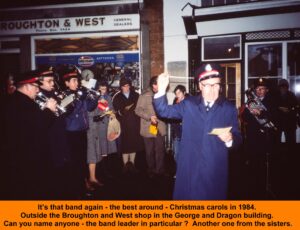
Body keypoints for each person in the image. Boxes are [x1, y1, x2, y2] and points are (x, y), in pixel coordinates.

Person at [153, 63, 242, 200]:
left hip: (214, 169)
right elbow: (164, 111)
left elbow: (238, 138)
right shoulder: (189, 104)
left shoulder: (228, 108)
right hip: (190, 167)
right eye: (207, 85)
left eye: (216, 85)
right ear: (200, 86)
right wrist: (161, 91)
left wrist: (230, 139)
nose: (213, 90)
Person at [3, 70, 57, 199]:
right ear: (27, 86)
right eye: (36, 87)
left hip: (20, 157)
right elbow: (39, 126)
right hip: (27, 159)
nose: (38, 90)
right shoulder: (24, 104)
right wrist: (49, 110)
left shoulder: (15, 100)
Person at [61, 66, 98, 199]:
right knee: (75, 161)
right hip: (72, 133)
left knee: (82, 160)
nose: (77, 83)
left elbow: (90, 107)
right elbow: (68, 112)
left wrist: (93, 95)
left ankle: (84, 184)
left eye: (77, 80)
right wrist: (79, 98)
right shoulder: (65, 95)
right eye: (73, 81)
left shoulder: (80, 94)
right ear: (67, 83)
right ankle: (77, 188)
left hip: (82, 131)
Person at [241, 77, 279, 199]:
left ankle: (266, 186)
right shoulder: (250, 101)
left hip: (266, 137)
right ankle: (253, 185)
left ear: (267, 90)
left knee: (265, 163)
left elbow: (275, 117)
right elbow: (245, 118)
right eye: (258, 89)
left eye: (262, 89)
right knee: (253, 161)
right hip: (253, 137)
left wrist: (261, 113)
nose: (260, 91)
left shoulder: (272, 101)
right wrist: (249, 111)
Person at [38, 66, 71, 199]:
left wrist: (66, 104)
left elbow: (62, 113)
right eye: (49, 81)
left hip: (60, 135)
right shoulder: (39, 97)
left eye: (53, 81)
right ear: (40, 83)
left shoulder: (53, 94)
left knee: (62, 168)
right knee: (52, 172)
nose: (53, 84)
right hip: (50, 139)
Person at [86, 81, 117, 190]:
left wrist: (111, 113)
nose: (103, 91)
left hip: (106, 126)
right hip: (96, 127)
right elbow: (90, 111)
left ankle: (103, 172)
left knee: (105, 150)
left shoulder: (108, 97)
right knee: (96, 151)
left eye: (105, 89)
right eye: (101, 89)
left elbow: (111, 109)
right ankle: (97, 174)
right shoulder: (93, 97)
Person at [135, 76, 167, 178]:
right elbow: (137, 110)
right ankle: (151, 170)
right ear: (153, 85)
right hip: (148, 127)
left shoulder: (162, 94)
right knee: (149, 151)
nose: (159, 86)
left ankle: (160, 170)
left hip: (159, 127)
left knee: (160, 150)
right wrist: (149, 117)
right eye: (158, 84)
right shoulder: (144, 96)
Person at [112, 77, 144, 173]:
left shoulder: (136, 95)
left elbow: (140, 108)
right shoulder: (117, 97)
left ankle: (133, 164)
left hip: (135, 124)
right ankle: (125, 165)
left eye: (127, 86)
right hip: (123, 125)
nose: (126, 88)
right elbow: (116, 111)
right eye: (124, 86)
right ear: (121, 87)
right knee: (125, 146)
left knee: (133, 144)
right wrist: (123, 111)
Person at [277, 79, 299, 151]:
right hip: (278, 122)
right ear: (279, 87)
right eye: (281, 87)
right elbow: (272, 107)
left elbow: (296, 107)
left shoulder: (291, 95)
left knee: (291, 142)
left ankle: (291, 157)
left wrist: (290, 110)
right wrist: (279, 108)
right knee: (276, 142)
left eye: (285, 87)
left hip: (290, 122)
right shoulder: (275, 95)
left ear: (287, 87)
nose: (283, 88)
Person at [170, 85, 189, 163]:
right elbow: (172, 116)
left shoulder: (189, 102)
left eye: (179, 93)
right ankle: (178, 172)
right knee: (177, 154)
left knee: (187, 155)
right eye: (176, 93)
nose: (177, 95)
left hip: (187, 135)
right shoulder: (175, 102)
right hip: (177, 133)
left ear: (184, 93)